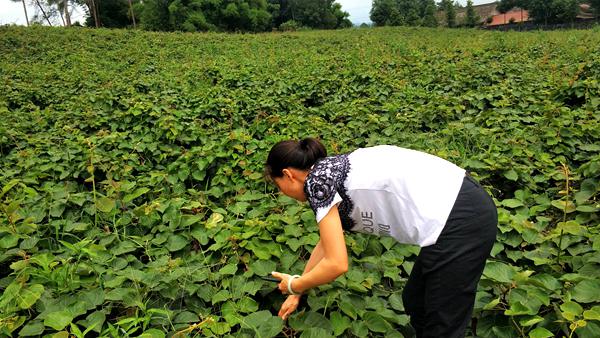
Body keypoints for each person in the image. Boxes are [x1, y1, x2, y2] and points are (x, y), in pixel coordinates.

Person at [266, 138, 498, 338]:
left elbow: (337, 264)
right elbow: (327, 245)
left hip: (460, 219)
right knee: (416, 301)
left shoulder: (317, 183)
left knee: (441, 322)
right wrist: (298, 290)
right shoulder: (327, 171)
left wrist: (294, 284)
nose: (282, 193)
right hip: (458, 204)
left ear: (288, 175)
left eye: (278, 186)